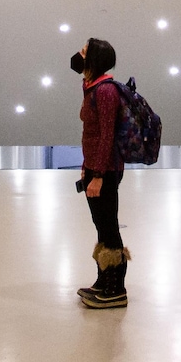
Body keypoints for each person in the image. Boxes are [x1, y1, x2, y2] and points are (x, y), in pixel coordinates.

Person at [70, 37, 130, 309]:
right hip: (94, 166)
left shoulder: (105, 92)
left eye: (83, 52)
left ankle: (116, 289)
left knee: (109, 227)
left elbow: (107, 136)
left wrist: (98, 176)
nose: (78, 56)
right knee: (101, 227)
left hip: (104, 170)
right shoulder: (91, 87)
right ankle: (103, 281)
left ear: (93, 60)